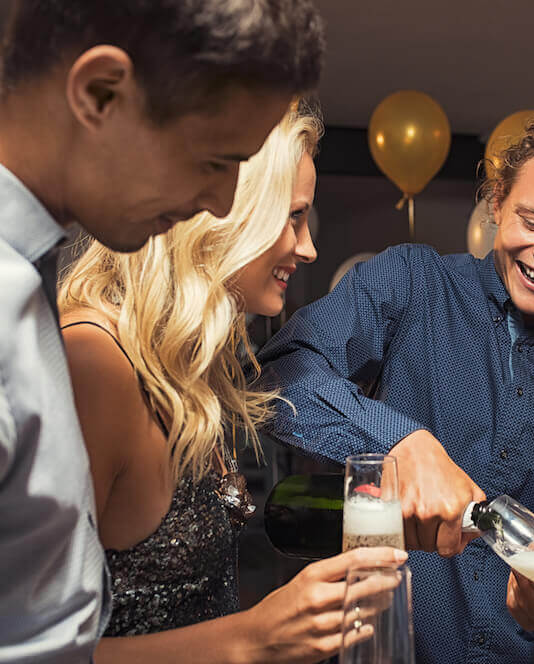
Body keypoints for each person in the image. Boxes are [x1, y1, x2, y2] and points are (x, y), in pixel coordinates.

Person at [0, 1, 323, 660]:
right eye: (213, 160)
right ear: (100, 93)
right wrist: (247, 643)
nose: (223, 204)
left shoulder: (21, 266)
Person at [257, 109, 534, 663]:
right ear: (496, 204)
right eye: (533, 222)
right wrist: (403, 441)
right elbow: (282, 375)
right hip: (379, 649)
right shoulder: (410, 282)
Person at [58, 103, 402, 663]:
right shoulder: (95, 366)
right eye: (294, 217)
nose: (309, 245)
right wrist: (252, 638)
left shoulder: (186, 366)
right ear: (224, 214)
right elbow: (20, 650)